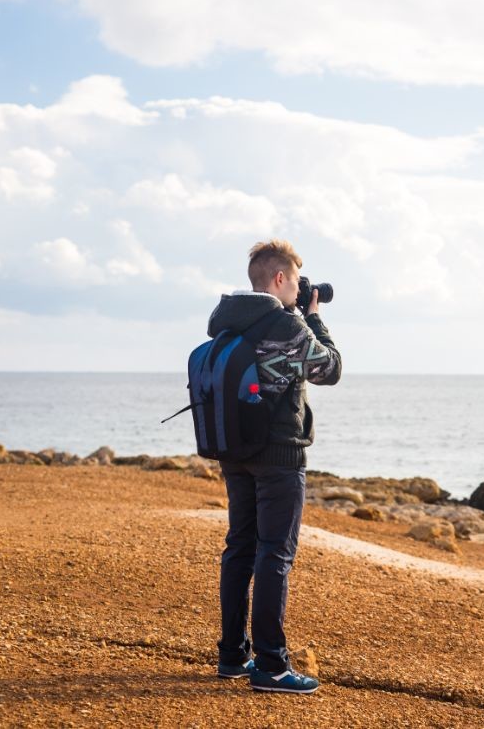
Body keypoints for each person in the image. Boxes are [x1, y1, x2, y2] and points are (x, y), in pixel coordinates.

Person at [207, 239, 341, 694]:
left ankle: (232, 655)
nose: (302, 290)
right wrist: (315, 315)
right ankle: (271, 664)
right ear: (280, 279)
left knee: (240, 547)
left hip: (234, 452)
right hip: (279, 454)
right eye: (297, 281)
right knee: (275, 554)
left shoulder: (227, 323)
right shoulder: (285, 325)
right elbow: (330, 369)